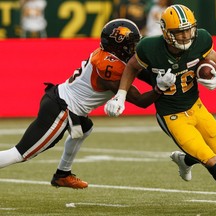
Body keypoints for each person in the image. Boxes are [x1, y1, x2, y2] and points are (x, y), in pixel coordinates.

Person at [104, 4, 216, 210]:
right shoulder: (149, 48)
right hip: (172, 115)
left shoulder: (202, 39)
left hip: (196, 106)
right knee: (212, 161)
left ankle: (185, 161)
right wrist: (121, 95)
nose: (186, 35)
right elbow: (132, 66)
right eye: (180, 31)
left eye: (189, 29)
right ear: (167, 33)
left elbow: (214, 59)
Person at [0, 18, 175, 189]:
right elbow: (141, 101)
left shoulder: (111, 56)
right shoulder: (108, 66)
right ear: (118, 47)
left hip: (65, 103)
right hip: (62, 109)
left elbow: (140, 70)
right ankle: (62, 174)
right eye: (131, 44)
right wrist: (159, 88)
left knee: (84, 129)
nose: (135, 48)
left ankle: (63, 174)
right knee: (20, 154)